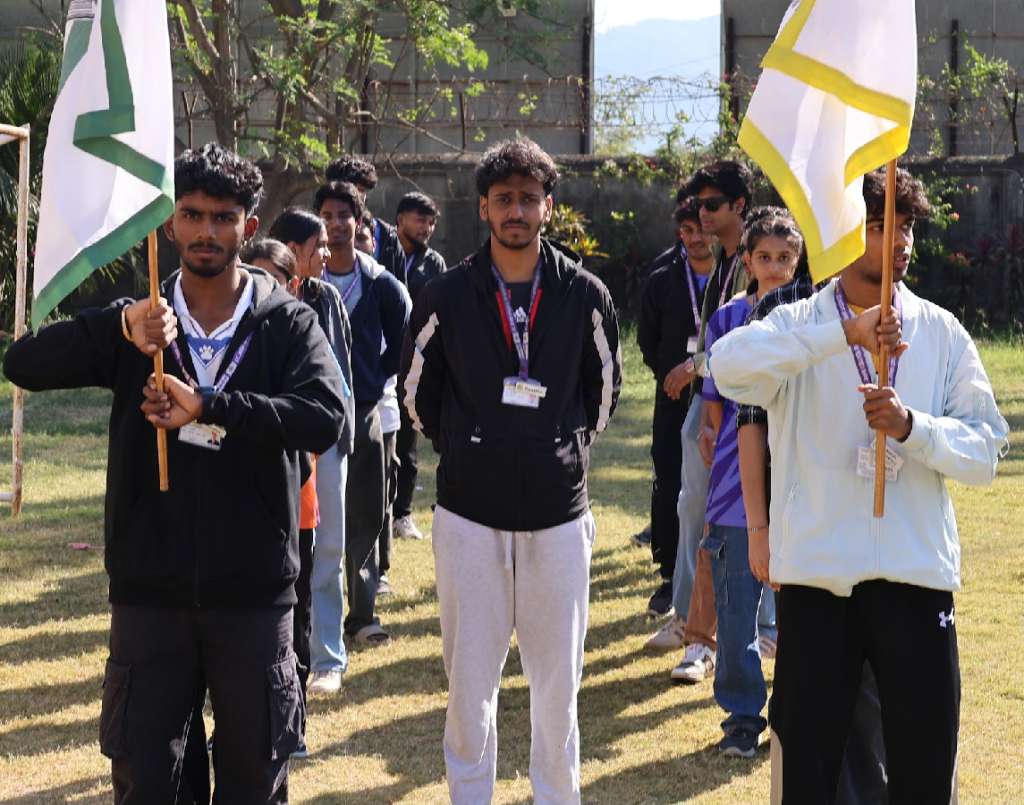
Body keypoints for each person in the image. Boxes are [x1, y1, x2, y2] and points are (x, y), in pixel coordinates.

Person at [3, 142, 346, 803]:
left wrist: (215, 405)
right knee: (150, 785)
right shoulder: (142, 325)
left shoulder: (287, 323)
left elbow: (324, 416)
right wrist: (118, 322)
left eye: (223, 217)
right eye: (191, 215)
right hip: (150, 594)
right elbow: (24, 364)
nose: (207, 231)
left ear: (249, 226)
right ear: (170, 223)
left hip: (254, 596)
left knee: (253, 781)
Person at [711, 166, 1009, 802]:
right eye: (880, 225)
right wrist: (837, 335)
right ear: (844, 234)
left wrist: (913, 428)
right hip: (820, 581)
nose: (899, 240)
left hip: (916, 578)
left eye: (906, 225)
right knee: (810, 772)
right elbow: (727, 367)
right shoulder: (800, 322)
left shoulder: (940, 330)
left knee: (924, 769)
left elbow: (987, 450)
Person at [400, 137, 621, 805]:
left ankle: (557, 796)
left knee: (559, 682)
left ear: (547, 207)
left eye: (529, 198)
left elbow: (604, 393)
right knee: (470, 681)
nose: (516, 210)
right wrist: (470, 444)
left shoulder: (584, 293)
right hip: (468, 514)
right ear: (485, 207)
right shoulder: (445, 294)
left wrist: (561, 443)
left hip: (559, 515)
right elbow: (416, 395)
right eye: (505, 199)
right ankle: (471, 795)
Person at [700, 207, 802, 757]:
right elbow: (714, 406)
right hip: (734, 494)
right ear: (747, 260)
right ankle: (742, 718)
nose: (776, 267)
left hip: (797, 489)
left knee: (799, 614)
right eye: (764, 257)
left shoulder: (814, 320)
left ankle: (794, 714)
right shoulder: (725, 321)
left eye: (786, 258)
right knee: (738, 609)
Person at [662, 161, 754, 677]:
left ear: (740, 205)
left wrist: (694, 367)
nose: (703, 213)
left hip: (744, 402)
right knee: (693, 505)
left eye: (713, 204)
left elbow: (748, 339)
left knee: (727, 516)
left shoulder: (755, 254)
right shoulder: (722, 261)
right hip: (712, 396)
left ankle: (735, 633)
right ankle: (687, 620)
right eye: (699, 205)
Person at [315, 179, 411, 653]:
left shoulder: (381, 285)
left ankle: (363, 614)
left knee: (366, 512)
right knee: (311, 514)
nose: (334, 226)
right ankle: (310, 614)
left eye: (342, 216)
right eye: (326, 217)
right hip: (310, 413)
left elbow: (403, 345)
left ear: (360, 220)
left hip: (367, 411)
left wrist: (370, 380)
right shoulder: (304, 283)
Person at [267, 208, 358, 699]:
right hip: (277, 441)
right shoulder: (256, 298)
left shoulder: (326, 299)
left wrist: (341, 434)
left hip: (324, 443)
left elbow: (341, 372)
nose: (327, 254)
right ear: (291, 250)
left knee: (327, 549)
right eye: (317, 246)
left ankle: (327, 656)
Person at [637, 198, 714, 623]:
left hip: (719, 397)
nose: (697, 237)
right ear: (680, 234)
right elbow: (648, 340)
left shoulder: (731, 277)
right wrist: (669, 376)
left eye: (703, 228)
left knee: (711, 491)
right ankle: (668, 577)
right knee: (669, 486)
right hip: (671, 399)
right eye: (688, 229)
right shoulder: (663, 279)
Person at [392, 191, 448, 541]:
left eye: (430, 222)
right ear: (400, 220)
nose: (426, 228)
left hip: (414, 363)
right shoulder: (380, 253)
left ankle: (402, 515)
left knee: (407, 444)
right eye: (419, 220)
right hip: (378, 361)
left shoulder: (434, 264)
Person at [325, 155, 405, 282]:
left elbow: (400, 292)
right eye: (350, 190)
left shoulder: (388, 237)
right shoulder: (317, 231)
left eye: (361, 190)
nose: (357, 196)